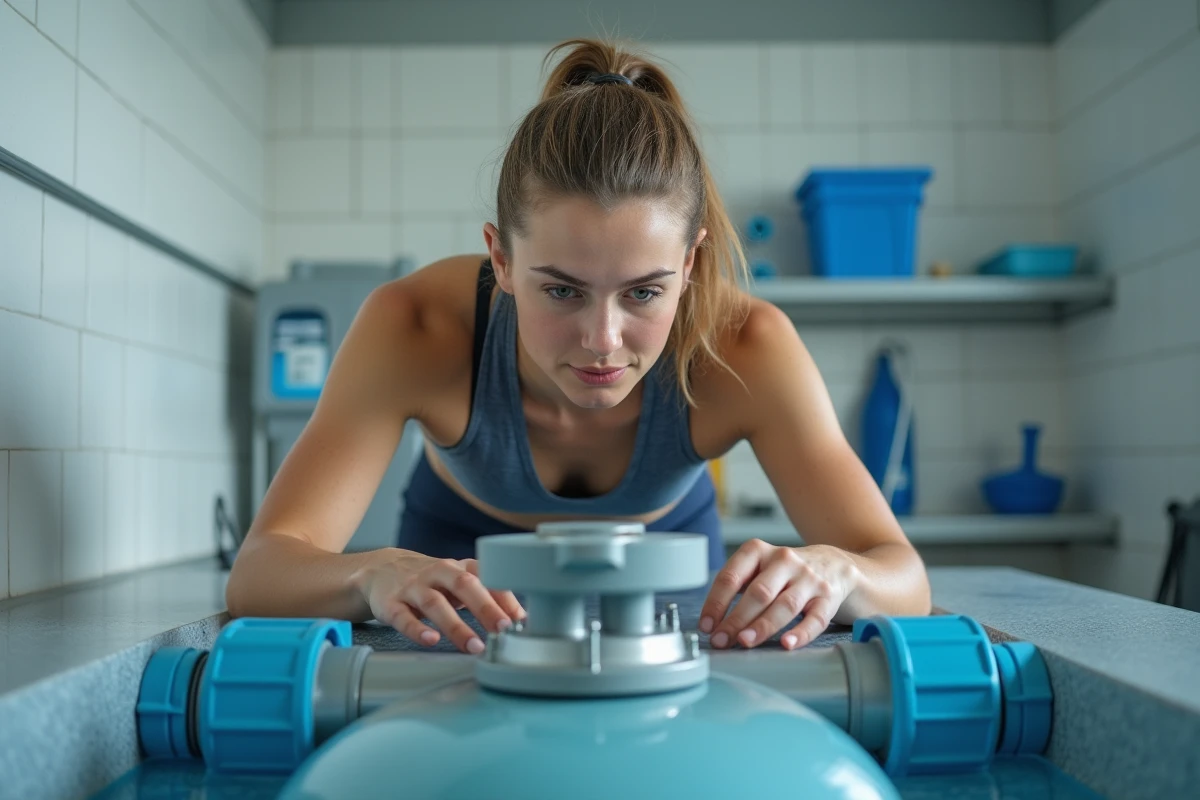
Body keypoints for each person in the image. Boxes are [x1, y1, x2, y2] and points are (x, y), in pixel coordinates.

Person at [225, 38, 931, 656]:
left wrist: (842, 571)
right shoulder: (413, 326)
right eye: (562, 290)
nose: (602, 341)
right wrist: (367, 572)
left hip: (667, 571)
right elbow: (261, 571)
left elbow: (901, 573)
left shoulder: (746, 346)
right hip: (458, 573)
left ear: (689, 263)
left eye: (644, 292)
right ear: (500, 260)